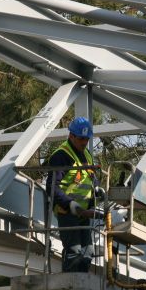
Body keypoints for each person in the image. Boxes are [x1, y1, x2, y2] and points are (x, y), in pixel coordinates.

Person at [46, 117, 105, 273]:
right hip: (67, 212)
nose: (84, 142)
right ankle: (69, 285)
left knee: (88, 253)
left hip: (83, 214)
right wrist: (70, 204)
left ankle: (82, 283)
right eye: (81, 139)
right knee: (74, 252)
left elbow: (91, 177)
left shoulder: (86, 154)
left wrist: (97, 188)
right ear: (71, 136)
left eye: (87, 139)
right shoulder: (61, 155)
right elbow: (52, 187)